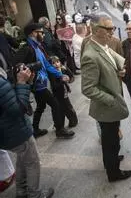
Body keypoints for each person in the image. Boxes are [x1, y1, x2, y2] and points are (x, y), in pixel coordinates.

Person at [81, 14, 131, 182]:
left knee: (110, 138)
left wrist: (119, 71)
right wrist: (111, 100)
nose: (112, 32)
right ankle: (114, 173)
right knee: (111, 140)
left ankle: (110, 161)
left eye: (113, 28)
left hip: (110, 104)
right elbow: (88, 88)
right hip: (106, 106)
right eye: (108, 29)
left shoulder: (102, 45)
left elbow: (109, 60)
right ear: (96, 30)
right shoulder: (90, 54)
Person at [0, 55, 54, 197]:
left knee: (22, 157)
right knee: (32, 161)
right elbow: (17, 109)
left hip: (8, 130)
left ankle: (22, 190)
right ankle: (34, 194)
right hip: (13, 129)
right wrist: (22, 82)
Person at [14, 23, 75, 139]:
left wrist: (60, 75)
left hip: (41, 83)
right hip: (37, 85)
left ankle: (35, 130)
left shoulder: (38, 47)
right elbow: (17, 66)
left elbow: (47, 64)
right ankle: (60, 129)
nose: (43, 34)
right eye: (41, 32)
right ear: (33, 33)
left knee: (41, 106)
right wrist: (30, 71)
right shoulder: (27, 48)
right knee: (55, 104)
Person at [49, 56, 78, 128]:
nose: (56, 64)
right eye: (53, 63)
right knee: (60, 110)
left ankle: (73, 122)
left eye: (57, 62)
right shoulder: (52, 73)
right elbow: (54, 86)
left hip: (64, 93)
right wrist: (62, 80)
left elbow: (71, 77)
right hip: (57, 95)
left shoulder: (62, 69)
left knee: (67, 108)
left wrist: (66, 69)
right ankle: (59, 125)